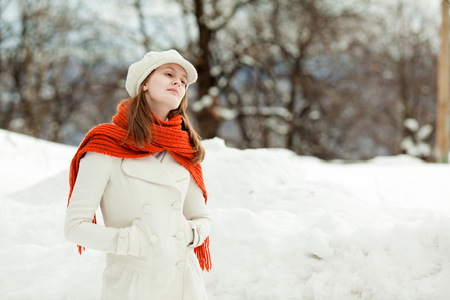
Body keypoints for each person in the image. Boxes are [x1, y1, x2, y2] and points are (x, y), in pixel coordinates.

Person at [64, 49, 211, 300]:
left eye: (183, 81)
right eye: (168, 74)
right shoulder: (106, 145)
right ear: (144, 83)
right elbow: (75, 227)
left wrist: (186, 234)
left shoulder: (185, 148)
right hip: (133, 285)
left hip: (184, 282)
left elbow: (201, 219)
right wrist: (132, 242)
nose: (178, 82)